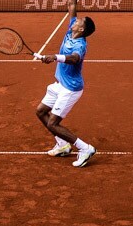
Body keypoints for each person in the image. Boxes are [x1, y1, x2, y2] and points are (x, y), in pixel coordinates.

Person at [34, 14, 97, 167]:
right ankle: (63, 145)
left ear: (81, 29)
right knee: (41, 112)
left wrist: (55, 57)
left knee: (53, 124)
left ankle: (85, 148)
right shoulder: (71, 31)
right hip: (60, 85)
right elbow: (72, 6)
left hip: (70, 89)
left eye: (79, 21)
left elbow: (74, 58)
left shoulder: (80, 45)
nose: (75, 20)